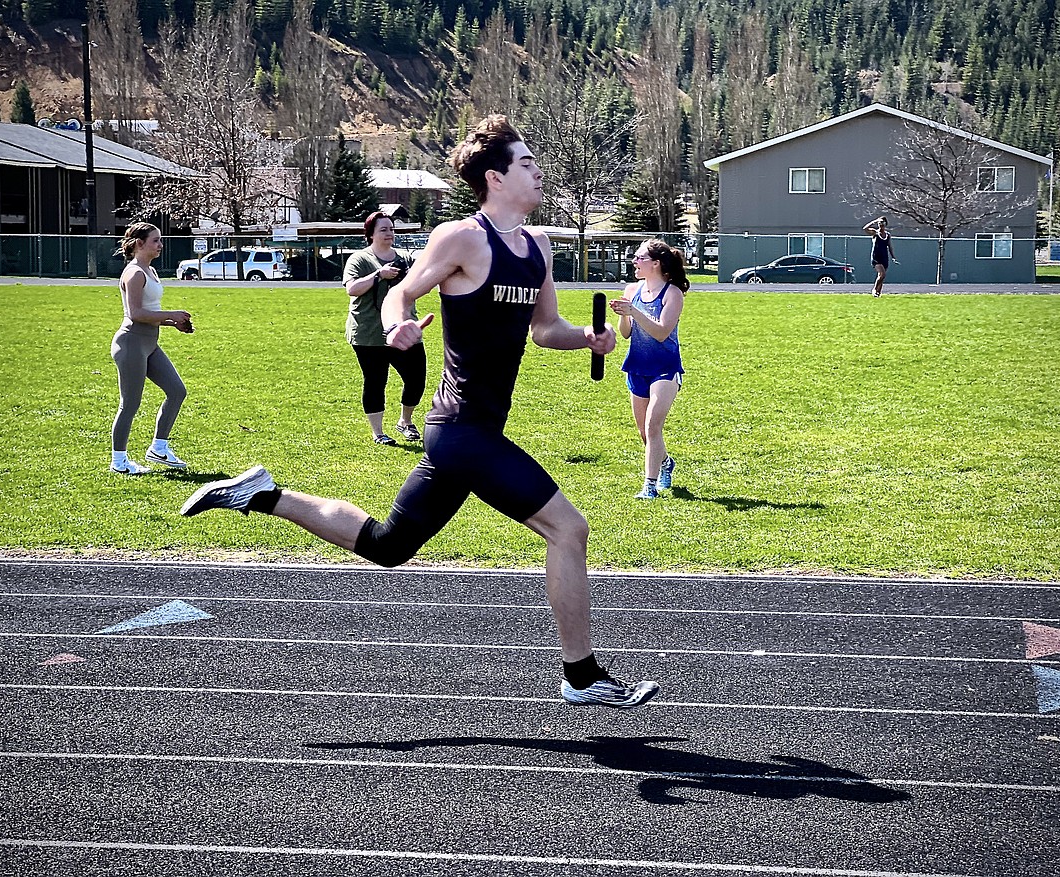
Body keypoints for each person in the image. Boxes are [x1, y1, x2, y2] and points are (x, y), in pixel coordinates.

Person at [180, 114, 659, 709]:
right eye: (528, 163)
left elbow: (544, 329)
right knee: (569, 528)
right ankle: (583, 676)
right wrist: (395, 326)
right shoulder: (460, 238)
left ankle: (262, 494)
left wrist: (587, 340)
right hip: (459, 432)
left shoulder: (537, 248)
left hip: (475, 434)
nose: (539, 172)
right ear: (496, 177)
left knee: (386, 544)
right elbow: (404, 292)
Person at [109, 222, 192, 475]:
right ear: (139, 244)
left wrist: (172, 323)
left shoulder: (151, 271)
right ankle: (119, 461)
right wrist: (172, 313)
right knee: (130, 404)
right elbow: (135, 314)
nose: (160, 245)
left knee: (177, 391)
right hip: (131, 343)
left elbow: (150, 312)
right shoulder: (134, 273)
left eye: (160, 240)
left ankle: (159, 447)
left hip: (149, 343)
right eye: (155, 240)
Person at [610, 240, 688, 500]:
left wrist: (634, 311)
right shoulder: (632, 289)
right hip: (637, 367)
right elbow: (626, 333)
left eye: (640, 258)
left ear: (656, 263)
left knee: (653, 426)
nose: (635, 261)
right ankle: (665, 463)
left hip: (665, 368)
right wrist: (624, 314)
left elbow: (661, 332)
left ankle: (649, 486)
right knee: (644, 432)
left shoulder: (672, 293)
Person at [342, 211, 427, 446]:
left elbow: (421, 284)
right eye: (384, 229)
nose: (389, 233)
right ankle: (378, 432)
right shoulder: (360, 259)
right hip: (369, 333)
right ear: (370, 234)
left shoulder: (405, 257)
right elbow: (352, 289)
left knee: (416, 378)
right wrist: (379, 274)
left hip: (403, 330)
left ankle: (405, 421)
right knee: (376, 381)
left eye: (391, 229)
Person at [863, 216, 898, 297]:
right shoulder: (875, 233)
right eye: (879, 223)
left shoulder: (887, 235)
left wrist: (893, 257)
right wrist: (874, 221)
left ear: (886, 224)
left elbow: (889, 246)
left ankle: (878, 293)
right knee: (882, 274)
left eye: (882, 223)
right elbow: (865, 229)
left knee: (882, 277)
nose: (881, 224)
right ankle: (874, 289)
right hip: (876, 257)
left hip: (884, 257)